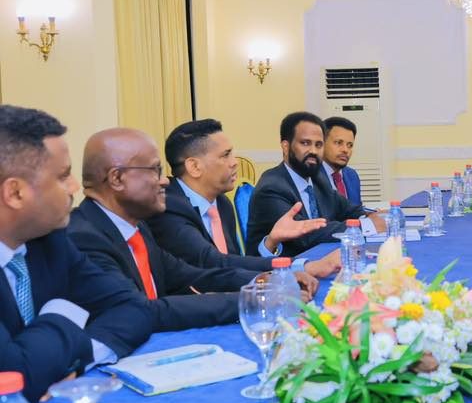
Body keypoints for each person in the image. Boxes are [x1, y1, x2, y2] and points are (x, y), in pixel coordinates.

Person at [67, 128, 317, 330]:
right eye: (155, 170)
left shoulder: (136, 226)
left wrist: (265, 280)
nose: (164, 181)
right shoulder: (85, 238)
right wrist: (255, 299)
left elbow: (191, 275)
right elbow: (142, 310)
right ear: (116, 178)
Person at [0, 106, 151, 403]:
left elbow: (133, 307)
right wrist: (63, 313)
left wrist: (77, 359)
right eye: (63, 176)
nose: (75, 187)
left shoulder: (49, 241)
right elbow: (14, 377)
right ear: (15, 193)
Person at [146, 119, 340, 277]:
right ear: (195, 167)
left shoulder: (222, 204)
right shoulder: (168, 207)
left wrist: (271, 241)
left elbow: (237, 264)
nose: (235, 163)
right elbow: (213, 263)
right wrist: (302, 267)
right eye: (225, 155)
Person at [246, 112, 384, 257]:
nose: (313, 151)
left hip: (320, 259)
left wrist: (375, 216)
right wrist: (367, 225)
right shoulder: (272, 187)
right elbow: (305, 234)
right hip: (280, 267)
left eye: (318, 145)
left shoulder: (317, 179)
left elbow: (349, 209)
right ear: (286, 147)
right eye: (305, 143)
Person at [322, 116, 363, 205]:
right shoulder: (311, 177)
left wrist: (370, 212)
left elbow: (356, 209)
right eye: (338, 143)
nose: (345, 150)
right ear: (322, 143)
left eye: (350, 145)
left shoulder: (352, 175)